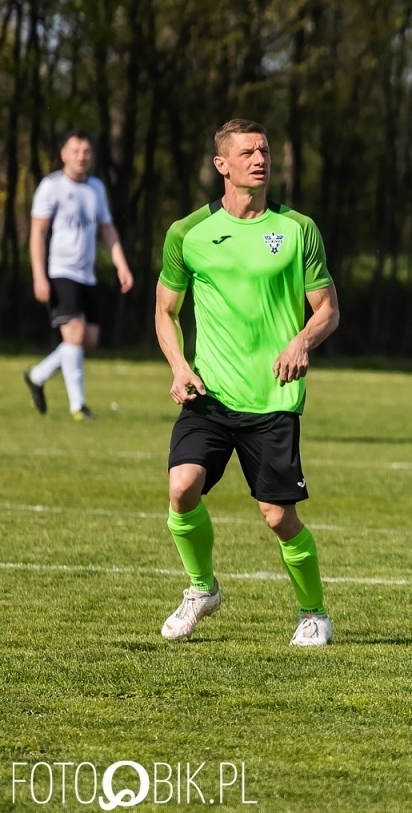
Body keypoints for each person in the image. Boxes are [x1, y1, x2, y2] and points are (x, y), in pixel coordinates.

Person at [154, 119, 340, 647]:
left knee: (278, 517)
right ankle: (200, 589)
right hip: (208, 395)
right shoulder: (187, 233)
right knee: (181, 487)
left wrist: (303, 340)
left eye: (264, 151)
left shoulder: (298, 228)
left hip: (273, 399)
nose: (260, 159)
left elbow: (327, 310)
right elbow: (165, 312)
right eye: (248, 152)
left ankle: (313, 612)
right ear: (222, 165)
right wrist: (179, 366)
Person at [22, 130, 135, 420]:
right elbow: (37, 232)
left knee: (90, 338)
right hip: (61, 270)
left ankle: (37, 375)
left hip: (88, 275)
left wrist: (121, 264)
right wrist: (39, 275)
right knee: (74, 334)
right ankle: (78, 407)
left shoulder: (96, 187)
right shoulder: (52, 186)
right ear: (64, 154)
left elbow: (107, 230)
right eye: (75, 151)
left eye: (86, 151)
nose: (81, 156)